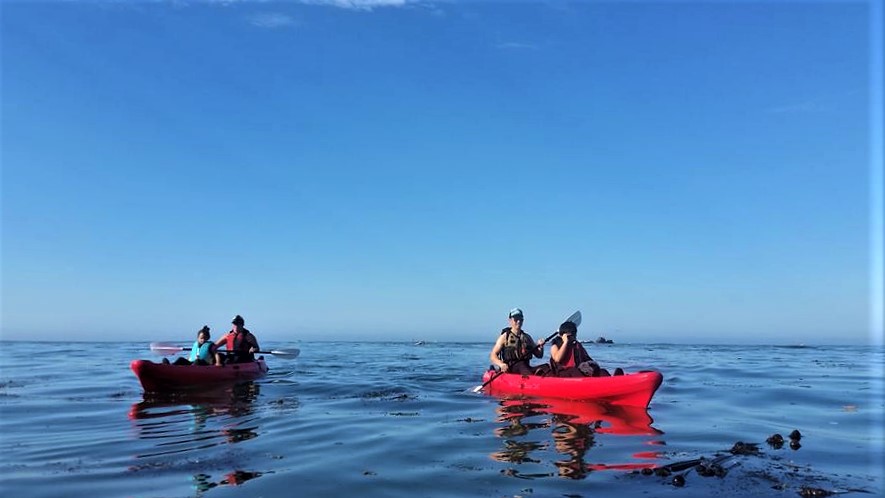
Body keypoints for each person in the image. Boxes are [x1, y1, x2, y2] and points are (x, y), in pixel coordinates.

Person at [549, 320, 623, 377]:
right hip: (563, 373)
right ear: (563, 336)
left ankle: (613, 381)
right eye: (570, 336)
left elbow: (587, 359)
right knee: (575, 372)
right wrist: (565, 342)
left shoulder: (577, 345)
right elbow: (557, 358)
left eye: (574, 335)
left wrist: (593, 368)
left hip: (577, 371)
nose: (573, 338)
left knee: (602, 371)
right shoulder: (555, 346)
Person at [489, 308, 546, 375]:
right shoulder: (505, 337)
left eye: (520, 319)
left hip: (526, 368)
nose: (518, 321)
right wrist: (501, 364)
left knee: (546, 367)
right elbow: (493, 355)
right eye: (516, 319)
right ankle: (532, 378)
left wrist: (541, 346)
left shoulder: (527, 338)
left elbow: (539, 355)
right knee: (520, 364)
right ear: (510, 320)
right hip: (511, 369)